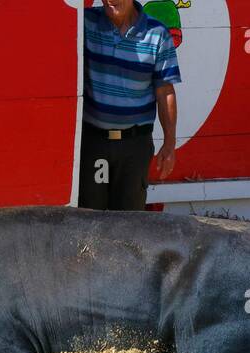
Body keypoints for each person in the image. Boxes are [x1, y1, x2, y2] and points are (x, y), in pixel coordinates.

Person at [78, 0, 180, 211]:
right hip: (94, 143)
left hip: (134, 147)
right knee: (91, 214)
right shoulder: (86, 23)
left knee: (129, 220)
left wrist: (169, 144)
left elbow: (165, 92)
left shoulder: (157, 34)